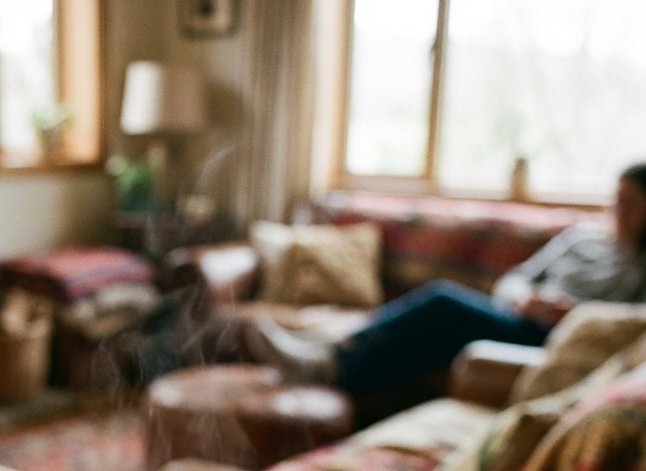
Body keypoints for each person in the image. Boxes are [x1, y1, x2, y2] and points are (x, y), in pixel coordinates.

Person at [247, 163, 646, 395]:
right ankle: (333, 359)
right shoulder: (580, 238)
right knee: (438, 321)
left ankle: (329, 360)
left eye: (631, 203)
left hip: (563, 339)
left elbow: (633, 324)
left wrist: (578, 313)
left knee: (444, 305)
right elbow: (511, 282)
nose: (619, 209)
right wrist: (526, 298)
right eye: (617, 198)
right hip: (523, 319)